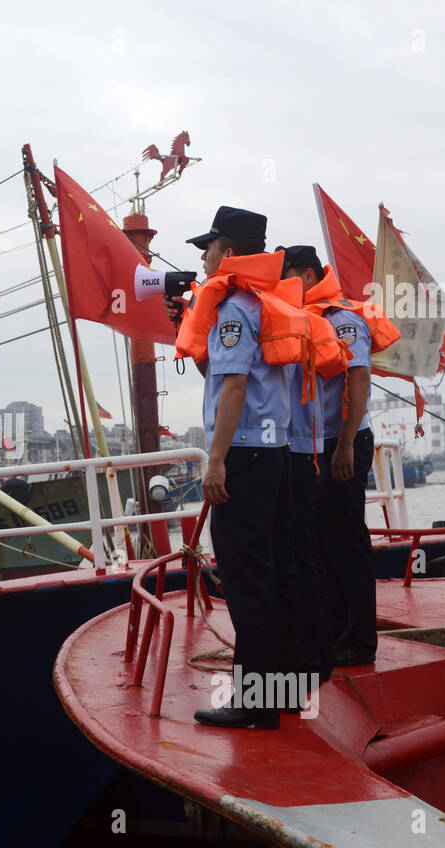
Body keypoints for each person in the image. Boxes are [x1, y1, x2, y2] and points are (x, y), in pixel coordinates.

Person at [172, 206, 303, 728]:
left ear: (227, 252)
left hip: (244, 456)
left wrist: (216, 460)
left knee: (247, 581)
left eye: (207, 248)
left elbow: (234, 387)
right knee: (277, 574)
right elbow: (230, 373)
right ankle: (285, 691)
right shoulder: (265, 303)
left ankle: (255, 704)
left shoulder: (232, 311)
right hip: (276, 455)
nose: (202, 258)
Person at [299, 255, 400, 667]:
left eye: (285, 275)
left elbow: (358, 378)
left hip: (340, 442)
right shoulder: (303, 317)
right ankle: (336, 631)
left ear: (306, 274)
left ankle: (359, 641)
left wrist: (343, 445)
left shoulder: (343, 320)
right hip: (313, 446)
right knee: (322, 542)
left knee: (346, 541)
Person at [276, 245, 345, 683]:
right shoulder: (307, 322)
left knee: (300, 556)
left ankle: (310, 661)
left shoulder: (303, 322)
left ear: (303, 275)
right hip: (302, 448)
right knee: (308, 554)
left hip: (300, 451)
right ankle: (317, 656)